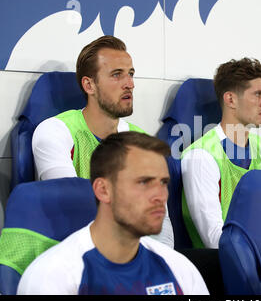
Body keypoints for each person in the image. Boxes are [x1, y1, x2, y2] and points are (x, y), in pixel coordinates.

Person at [17, 132, 209, 295]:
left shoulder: (179, 268)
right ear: (103, 190)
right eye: (144, 182)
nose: (160, 195)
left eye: (163, 183)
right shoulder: (52, 277)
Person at [31, 35, 173, 248]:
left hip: (134, 256)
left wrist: (153, 263)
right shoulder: (55, 131)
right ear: (89, 85)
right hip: (74, 256)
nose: (130, 84)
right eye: (117, 75)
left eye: (131, 74)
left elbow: (161, 221)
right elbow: (75, 211)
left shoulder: (141, 141)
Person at [181, 58, 261, 249]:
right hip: (224, 269)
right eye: (258, 94)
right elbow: (214, 240)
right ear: (230, 99)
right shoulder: (202, 156)